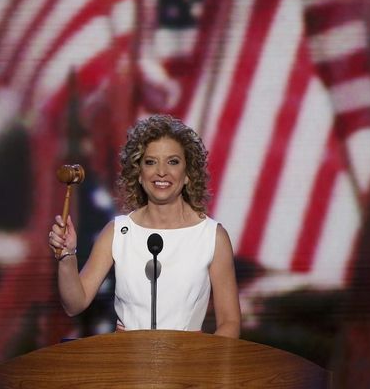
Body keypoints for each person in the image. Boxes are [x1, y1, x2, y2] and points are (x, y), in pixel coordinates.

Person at [48, 114, 241, 338]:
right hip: (126, 364)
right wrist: (67, 256)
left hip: (189, 365)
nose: (161, 171)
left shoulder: (212, 237)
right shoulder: (117, 232)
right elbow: (75, 304)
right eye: (150, 162)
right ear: (139, 174)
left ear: (188, 174)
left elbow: (230, 321)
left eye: (173, 161)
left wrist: (203, 367)